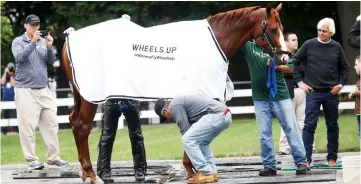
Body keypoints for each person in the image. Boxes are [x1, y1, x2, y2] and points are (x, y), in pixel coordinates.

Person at [63, 14, 147, 183]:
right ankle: (104, 171)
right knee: (108, 135)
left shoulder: (130, 54)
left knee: (135, 135)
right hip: (112, 98)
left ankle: (139, 170)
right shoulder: (106, 55)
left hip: (129, 98)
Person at [236, 37, 307, 176]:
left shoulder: (277, 49)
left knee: (291, 128)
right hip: (260, 98)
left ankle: (301, 162)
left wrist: (276, 65)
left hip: (280, 95)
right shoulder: (249, 47)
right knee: (264, 133)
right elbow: (236, 38)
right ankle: (269, 165)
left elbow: (291, 67)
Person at [11, 14, 68, 170]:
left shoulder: (43, 41)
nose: (36, 27)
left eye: (38, 25)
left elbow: (50, 61)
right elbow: (20, 58)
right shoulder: (18, 42)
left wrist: (49, 47)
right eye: (33, 25)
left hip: (43, 89)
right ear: (26, 26)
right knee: (27, 127)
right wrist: (33, 42)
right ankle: (31, 160)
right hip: (25, 90)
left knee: (51, 124)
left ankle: (53, 158)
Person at [293, 17, 349, 168]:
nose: (320, 33)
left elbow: (345, 69)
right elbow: (294, 61)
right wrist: (300, 82)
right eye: (319, 30)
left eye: (323, 31)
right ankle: (306, 159)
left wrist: (340, 85)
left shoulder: (337, 47)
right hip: (313, 93)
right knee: (309, 125)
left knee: (332, 126)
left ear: (331, 32)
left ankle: (332, 158)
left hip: (331, 93)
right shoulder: (309, 45)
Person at [154, 94, 232, 183]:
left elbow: (186, 135)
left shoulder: (174, 106)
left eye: (166, 118)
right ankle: (211, 174)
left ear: (165, 111)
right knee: (202, 143)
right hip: (225, 115)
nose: (170, 119)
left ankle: (205, 173)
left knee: (187, 140)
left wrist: (186, 163)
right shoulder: (182, 105)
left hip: (215, 114)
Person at [278, 33, 315, 155]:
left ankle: (308, 145)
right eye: (293, 40)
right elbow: (281, 71)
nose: (296, 42)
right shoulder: (280, 55)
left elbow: (305, 71)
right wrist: (292, 70)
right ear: (286, 42)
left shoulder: (302, 56)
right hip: (287, 91)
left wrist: (292, 70)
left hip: (302, 91)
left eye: (297, 39)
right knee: (287, 120)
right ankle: (284, 148)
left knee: (303, 120)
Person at [1, 62, 17, 135]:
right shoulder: (5, 76)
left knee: (15, 115)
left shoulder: (14, 76)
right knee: (5, 116)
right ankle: (4, 131)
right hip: (5, 100)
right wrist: (5, 72)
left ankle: (17, 131)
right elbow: (2, 82)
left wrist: (11, 74)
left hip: (13, 100)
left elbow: (13, 83)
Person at [348, 56, 360, 137]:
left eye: (356, 65)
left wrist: (355, 92)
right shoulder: (359, 79)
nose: (354, 67)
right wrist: (353, 93)